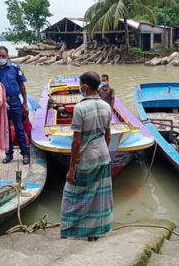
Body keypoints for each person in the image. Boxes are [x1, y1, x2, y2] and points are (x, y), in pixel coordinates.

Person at [61, 72, 113, 241]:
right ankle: (94, 233)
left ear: (85, 86)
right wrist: (101, 150)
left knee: (73, 195)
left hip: (86, 157)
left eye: (80, 84)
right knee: (97, 195)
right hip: (103, 155)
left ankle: (70, 230)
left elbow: (76, 142)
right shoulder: (106, 106)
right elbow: (108, 136)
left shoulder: (80, 108)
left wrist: (71, 168)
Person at [0, 46, 30, 165]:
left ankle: (25, 153)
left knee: (19, 128)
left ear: (7, 56)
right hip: (0, 103)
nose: (1, 58)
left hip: (14, 102)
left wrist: (25, 102)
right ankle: (9, 153)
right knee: (5, 129)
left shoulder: (15, 68)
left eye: (3, 56)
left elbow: (22, 85)